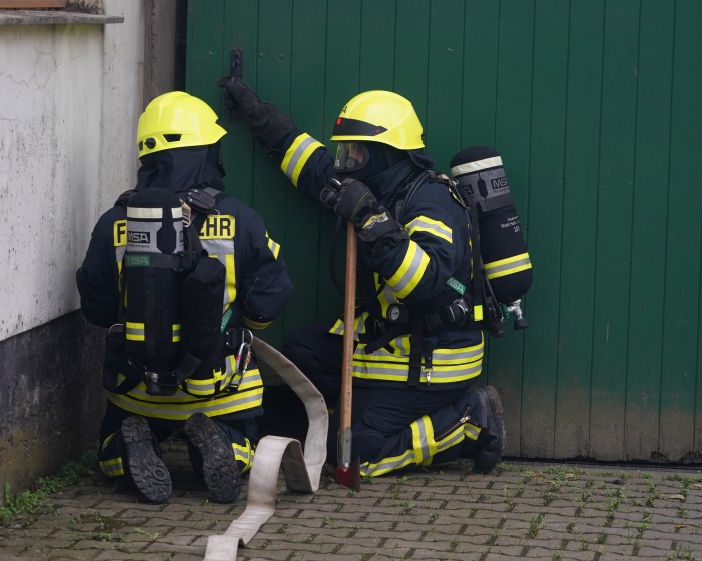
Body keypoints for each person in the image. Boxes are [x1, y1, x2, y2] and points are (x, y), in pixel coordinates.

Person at [219, 78, 505, 477]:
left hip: (430, 362)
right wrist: (260, 116)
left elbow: (430, 286)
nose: (346, 161)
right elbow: (313, 168)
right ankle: (335, 418)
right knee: (302, 351)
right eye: (346, 151)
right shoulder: (374, 187)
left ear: (387, 154)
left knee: (355, 454)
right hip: (387, 346)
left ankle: (469, 418)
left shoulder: (431, 203)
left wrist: (373, 221)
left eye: (356, 153)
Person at [76, 91, 292, 503]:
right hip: (219, 389)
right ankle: (224, 443)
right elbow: (268, 302)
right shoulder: (240, 219)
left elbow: (97, 308)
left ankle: (126, 449)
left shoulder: (114, 222)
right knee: (242, 445)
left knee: (108, 450)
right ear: (207, 153)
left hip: (136, 390)